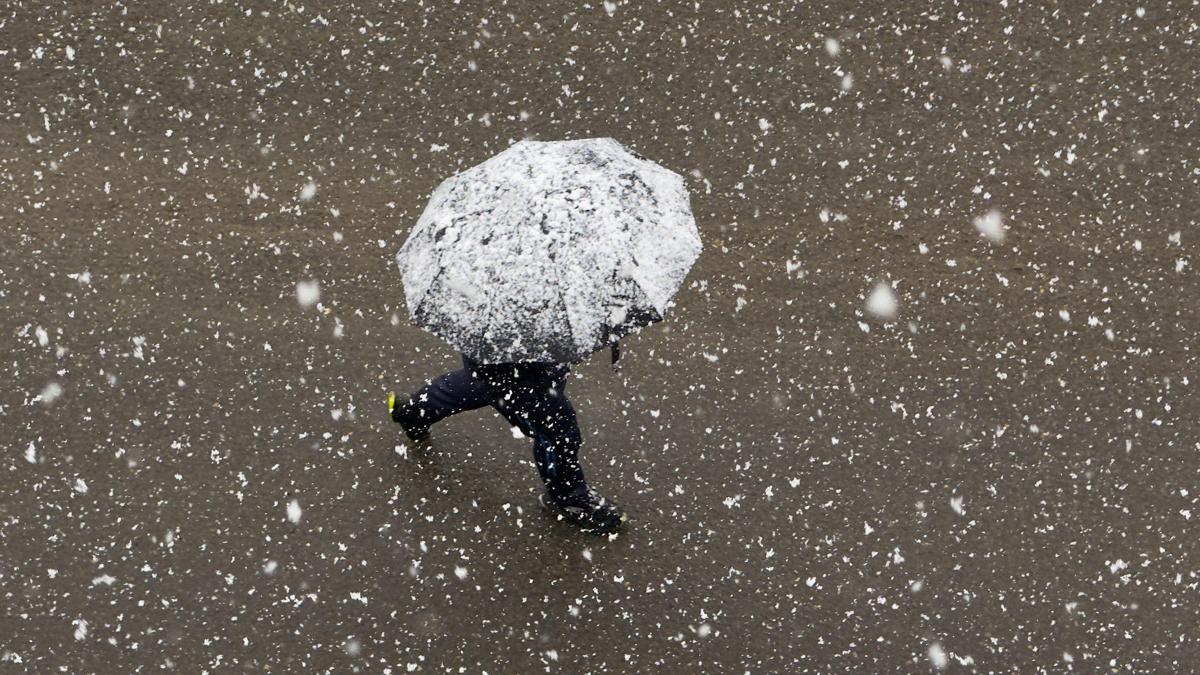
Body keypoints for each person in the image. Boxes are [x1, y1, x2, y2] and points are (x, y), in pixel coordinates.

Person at [389, 354, 626, 535]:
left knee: (478, 381)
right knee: (557, 432)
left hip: (502, 354)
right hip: (524, 371)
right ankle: (568, 495)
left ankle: (413, 411)